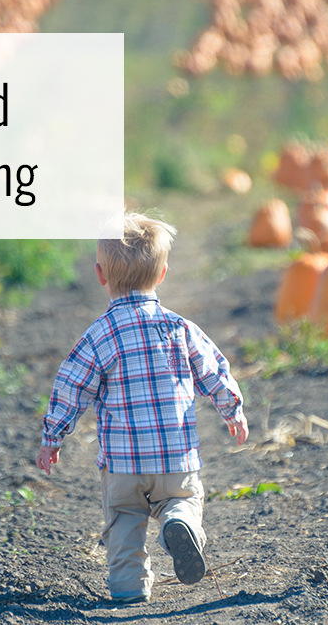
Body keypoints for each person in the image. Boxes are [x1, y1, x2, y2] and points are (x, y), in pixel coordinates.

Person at [36, 212, 250, 603]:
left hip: (123, 465)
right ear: (163, 273)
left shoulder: (100, 335)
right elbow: (214, 370)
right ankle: (179, 521)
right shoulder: (179, 328)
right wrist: (232, 409)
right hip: (176, 459)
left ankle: (128, 587)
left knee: (123, 522)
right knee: (183, 500)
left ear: (101, 275)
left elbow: (71, 385)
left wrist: (53, 437)